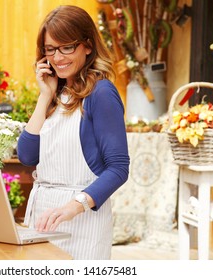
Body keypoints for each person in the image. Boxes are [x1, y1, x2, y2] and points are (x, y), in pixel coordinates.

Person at [17, 5, 129, 260]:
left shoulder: (101, 93)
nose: (58, 58)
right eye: (50, 49)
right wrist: (44, 96)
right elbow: (26, 156)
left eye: (67, 47)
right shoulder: (55, 95)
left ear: (87, 46)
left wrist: (73, 206)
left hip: (82, 219)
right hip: (44, 216)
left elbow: (119, 168)